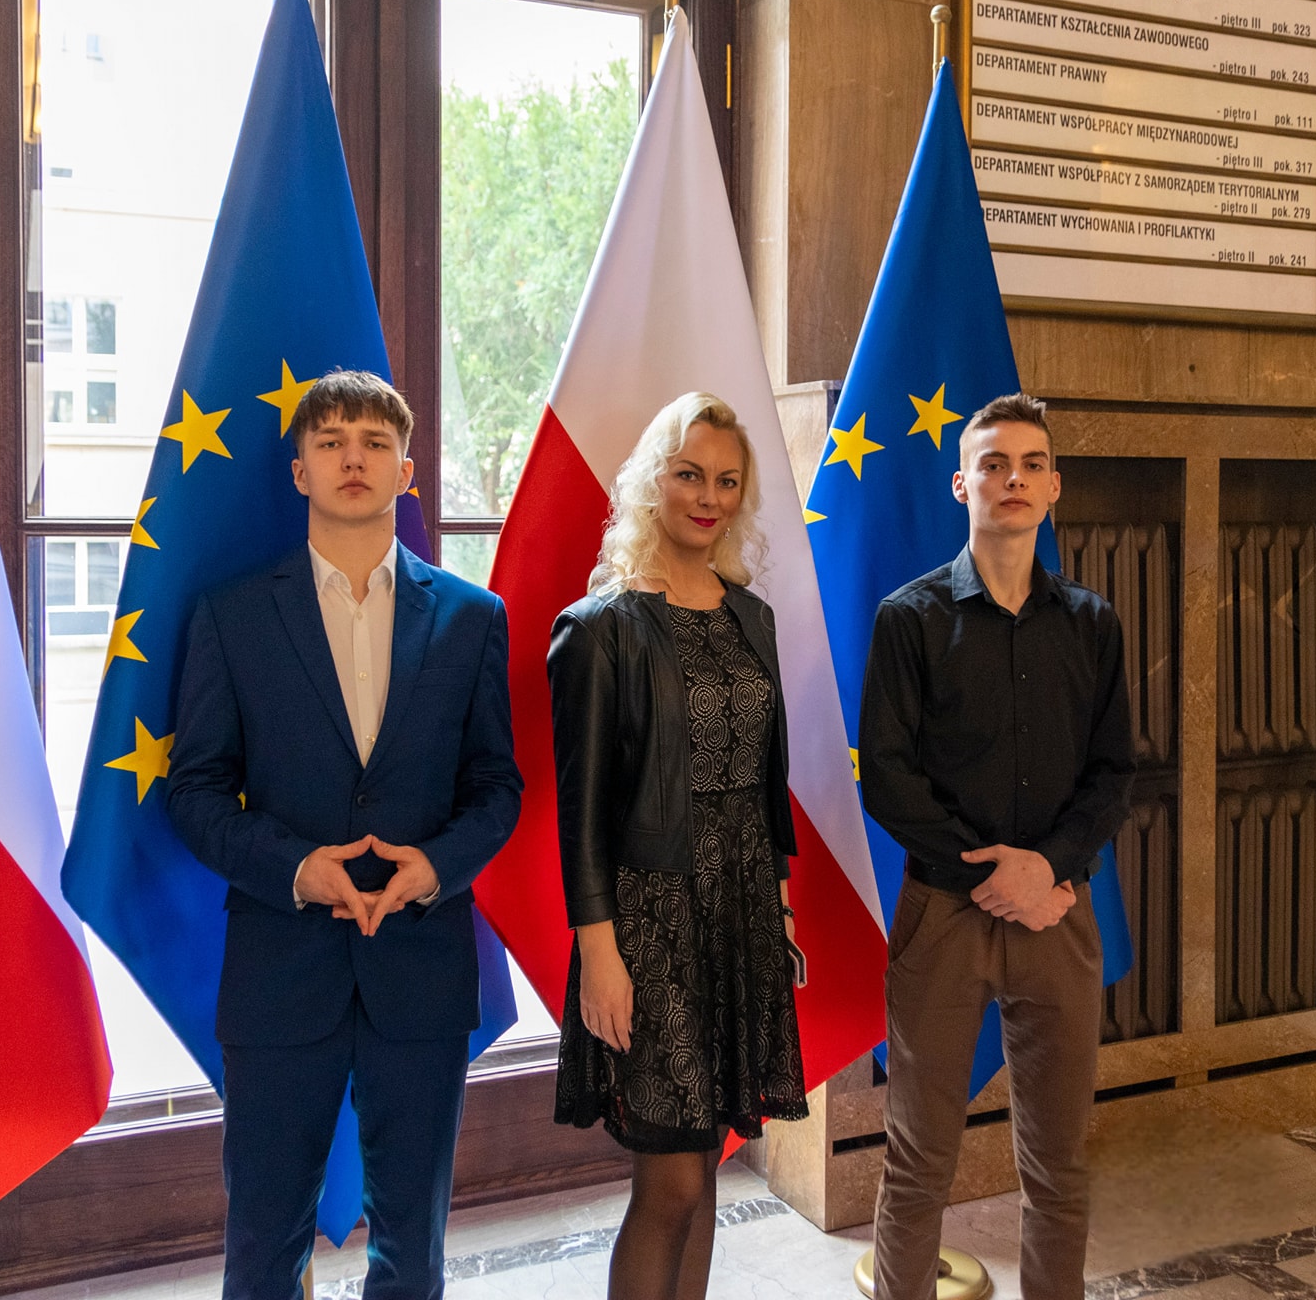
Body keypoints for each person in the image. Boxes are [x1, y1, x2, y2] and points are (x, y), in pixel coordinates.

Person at [164, 370, 524, 1300]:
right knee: (262, 1250)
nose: (352, 457)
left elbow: (497, 788)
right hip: (281, 970)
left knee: (413, 1252)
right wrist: (297, 869)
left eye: (374, 442)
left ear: (407, 471)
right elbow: (194, 792)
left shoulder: (472, 619)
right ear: (300, 471)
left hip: (421, 970)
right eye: (330, 442)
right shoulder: (233, 616)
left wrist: (433, 868)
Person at [860, 392, 1133, 1300]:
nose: (1012, 479)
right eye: (993, 465)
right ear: (961, 484)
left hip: (1057, 910)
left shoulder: (1092, 623)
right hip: (944, 912)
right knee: (918, 1161)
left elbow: (1113, 773)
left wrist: (1045, 869)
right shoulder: (909, 618)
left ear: (1053, 486)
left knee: (1060, 1165)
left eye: (1030, 465)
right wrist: (992, 874)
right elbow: (887, 776)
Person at [546, 392, 809, 1300]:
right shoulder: (599, 629)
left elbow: (767, 780)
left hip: (739, 915)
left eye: (727, 481)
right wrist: (599, 955)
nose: (709, 497)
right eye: (690, 475)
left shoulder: (752, 617)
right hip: (648, 926)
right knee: (673, 1183)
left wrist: (778, 909)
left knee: (707, 1170)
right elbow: (579, 814)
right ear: (651, 482)